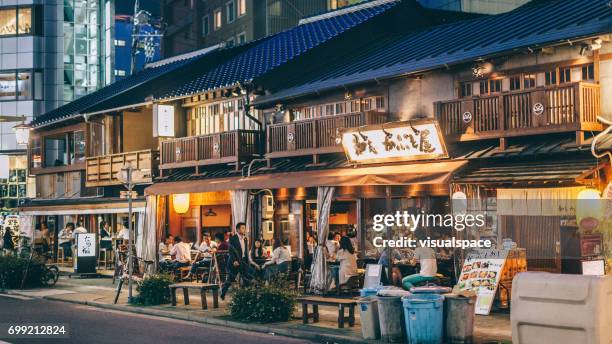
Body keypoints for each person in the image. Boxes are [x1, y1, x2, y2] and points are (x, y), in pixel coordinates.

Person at [221, 222, 255, 300]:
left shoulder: (245, 239)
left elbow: (245, 251)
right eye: (242, 228)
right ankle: (223, 292)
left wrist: (247, 261)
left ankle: (245, 295)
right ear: (237, 229)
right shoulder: (232, 239)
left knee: (247, 277)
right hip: (234, 262)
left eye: (244, 228)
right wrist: (234, 261)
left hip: (243, 261)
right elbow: (231, 251)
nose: (244, 230)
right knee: (231, 279)